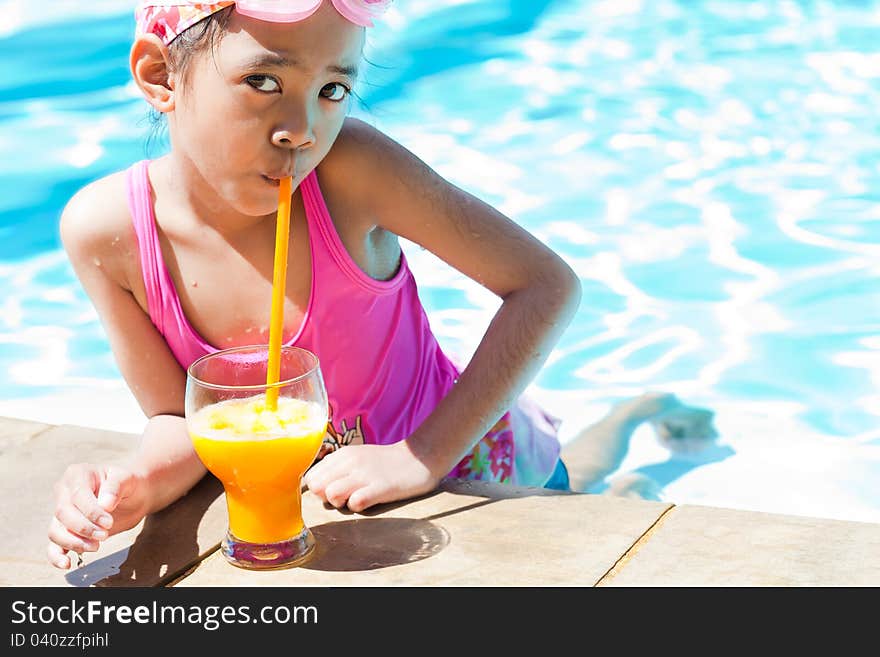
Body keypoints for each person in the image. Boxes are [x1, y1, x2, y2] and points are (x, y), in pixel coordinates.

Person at [46, 1, 714, 570]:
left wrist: (421, 458)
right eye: (262, 80)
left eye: (332, 89)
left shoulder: (350, 173)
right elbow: (180, 420)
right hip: (352, 520)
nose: (303, 130)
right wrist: (134, 481)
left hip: (478, 470)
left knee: (596, 493)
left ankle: (637, 416)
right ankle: (636, 435)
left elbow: (547, 285)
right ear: (159, 74)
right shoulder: (108, 234)